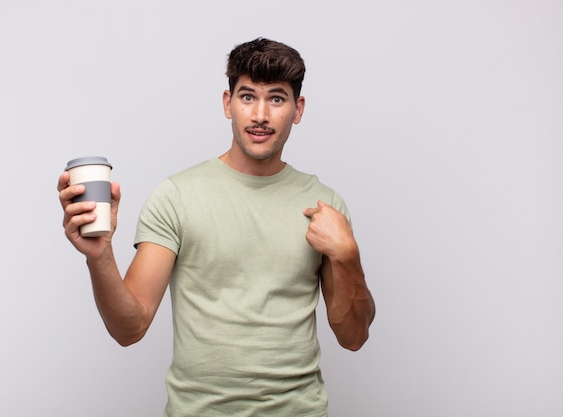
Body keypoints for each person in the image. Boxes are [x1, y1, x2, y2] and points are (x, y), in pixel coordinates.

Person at [58, 37, 375, 417]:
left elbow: (353, 337)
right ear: (228, 104)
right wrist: (100, 256)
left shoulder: (325, 206)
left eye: (276, 98)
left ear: (298, 109)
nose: (260, 114)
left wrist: (348, 255)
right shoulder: (176, 196)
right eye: (247, 97)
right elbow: (130, 328)